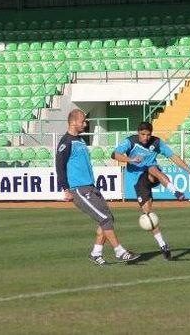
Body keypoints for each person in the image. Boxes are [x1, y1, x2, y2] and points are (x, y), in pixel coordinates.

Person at [56, 109, 140, 266]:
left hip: (90, 187)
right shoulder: (65, 142)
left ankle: (96, 253)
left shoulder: (80, 141)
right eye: (83, 121)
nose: (85, 123)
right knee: (105, 218)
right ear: (73, 122)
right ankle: (120, 251)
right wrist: (65, 189)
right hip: (78, 189)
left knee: (108, 218)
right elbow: (59, 166)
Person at [112, 121, 190, 260]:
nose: (145, 137)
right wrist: (131, 159)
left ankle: (175, 191)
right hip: (138, 181)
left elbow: (173, 157)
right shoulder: (130, 141)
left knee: (152, 167)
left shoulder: (157, 143)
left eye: (148, 134)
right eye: (143, 134)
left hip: (152, 175)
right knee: (148, 215)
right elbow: (115, 154)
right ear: (138, 132)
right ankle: (162, 244)